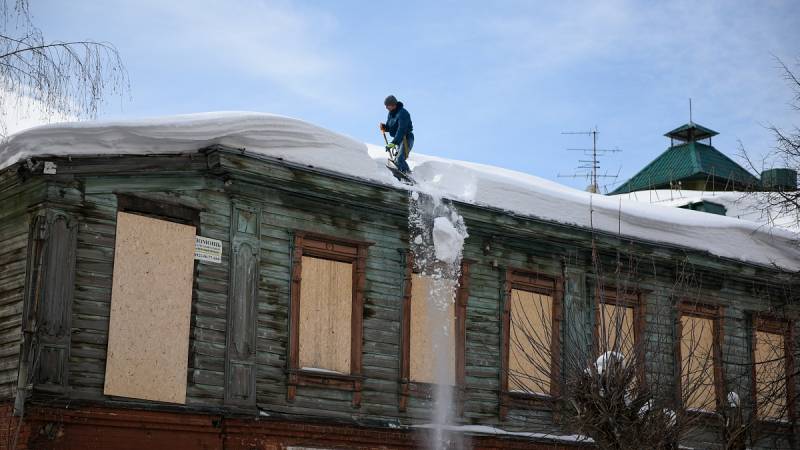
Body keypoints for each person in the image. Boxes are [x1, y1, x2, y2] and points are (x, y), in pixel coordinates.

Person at [379, 95, 414, 174]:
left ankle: (408, 175)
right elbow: (390, 127)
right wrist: (385, 127)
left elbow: (401, 129)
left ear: (393, 104)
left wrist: (394, 142)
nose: (386, 108)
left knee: (400, 159)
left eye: (387, 105)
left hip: (406, 138)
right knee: (396, 161)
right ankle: (400, 176)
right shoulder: (391, 114)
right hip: (399, 139)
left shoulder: (403, 113)